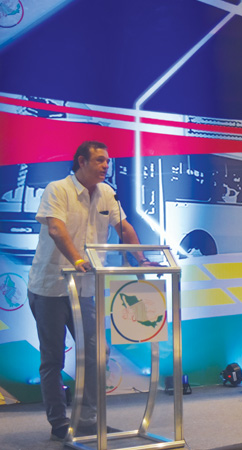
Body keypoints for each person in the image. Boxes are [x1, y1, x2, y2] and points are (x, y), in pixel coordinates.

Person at [27, 141, 155, 441]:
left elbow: (124, 228)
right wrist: (78, 260)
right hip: (50, 288)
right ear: (81, 162)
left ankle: (86, 421)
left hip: (84, 290)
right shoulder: (58, 189)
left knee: (98, 353)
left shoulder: (107, 193)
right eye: (99, 160)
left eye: (107, 161)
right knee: (53, 359)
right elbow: (56, 229)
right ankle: (59, 423)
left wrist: (141, 259)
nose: (105, 166)